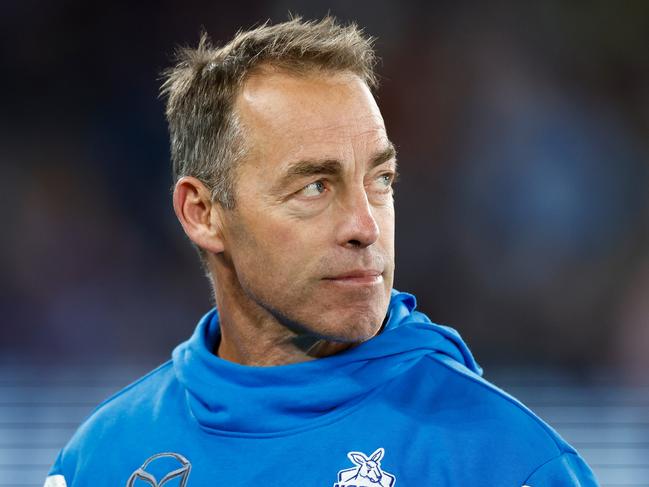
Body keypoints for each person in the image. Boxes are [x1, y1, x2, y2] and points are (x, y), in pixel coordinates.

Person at [45, 16, 599, 486]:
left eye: (380, 180)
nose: (365, 226)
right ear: (202, 213)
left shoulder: (507, 462)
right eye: (315, 187)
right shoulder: (100, 459)